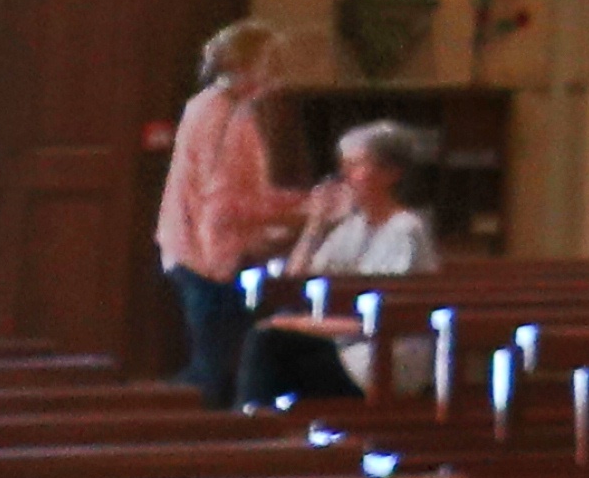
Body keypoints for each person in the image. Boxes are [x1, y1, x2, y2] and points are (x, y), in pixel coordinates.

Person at [239, 122, 441, 410]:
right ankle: (265, 431)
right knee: (270, 341)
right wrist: (315, 225)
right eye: (344, 166)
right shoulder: (354, 226)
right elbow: (296, 283)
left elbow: (382, 318)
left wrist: (299, 324)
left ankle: (256, 432)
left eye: (357, 165)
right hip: (348, 346)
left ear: (390, 174)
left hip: (383, 356)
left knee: (272, 344)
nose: (346, 177)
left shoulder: (405, 231)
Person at [150, 20, 293, 402]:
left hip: (198, 251)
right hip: (206, 258)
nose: (281, 70)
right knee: (213, 377)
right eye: (273, 60)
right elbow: (222, 204)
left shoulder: (212, 106)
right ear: (245, 64)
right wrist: (303, 209)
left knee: (215, 369)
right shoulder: (223, 115)